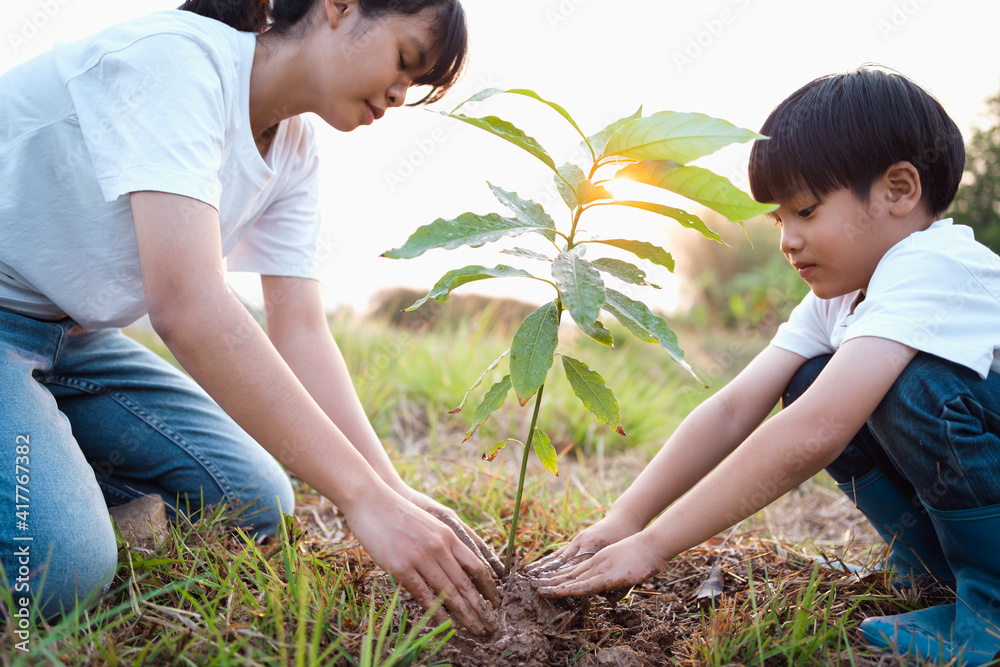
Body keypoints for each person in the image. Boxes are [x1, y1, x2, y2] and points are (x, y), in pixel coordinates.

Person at [0, 0, 503, 635]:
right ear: (339, 8)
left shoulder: (294, 148)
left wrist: (389, 490)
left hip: (71, 337)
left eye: (418, 84)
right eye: (405, 61)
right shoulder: (179, 62)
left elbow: (301, 330)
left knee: (255, 501)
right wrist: (361, 501)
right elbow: (189, 309)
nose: (402, 95)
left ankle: (48, 473)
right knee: (60, 578)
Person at [532, 67, 1000, 664]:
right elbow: (733, 409)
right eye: (780, 219)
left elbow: (816, 430)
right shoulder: (839, 298)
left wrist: (654, 547)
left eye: (806, 210)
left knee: (913, 389)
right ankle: (934, 572)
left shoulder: (933, 264)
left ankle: (993, 611)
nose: (787, 240)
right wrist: (625, 518)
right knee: (807, 379)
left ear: (899, 190)